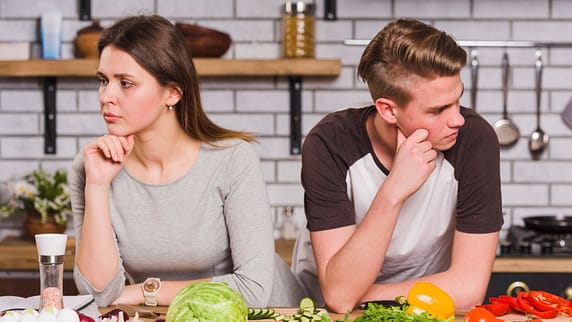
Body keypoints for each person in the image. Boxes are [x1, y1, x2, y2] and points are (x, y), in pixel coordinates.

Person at [69, 14, 305, 308]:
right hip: (169, 315)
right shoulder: (91, 165)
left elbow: (253, 287)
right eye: (103, 80)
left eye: (126, 83)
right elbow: (100, 293)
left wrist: (147, 291)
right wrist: (98, 186)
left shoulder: (231, 159)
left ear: (172, 93)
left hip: (270, 312)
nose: (106, 96)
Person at [291, 18, 503, 313]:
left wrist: (360, 295)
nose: (457, 119)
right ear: (388, 110)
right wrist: (394, 191)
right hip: (329, 315)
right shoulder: (329, 144)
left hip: (423, 311)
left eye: (457, 101)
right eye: (438, 110)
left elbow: (468, 290)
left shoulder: (475, 141)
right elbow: (338, 299)